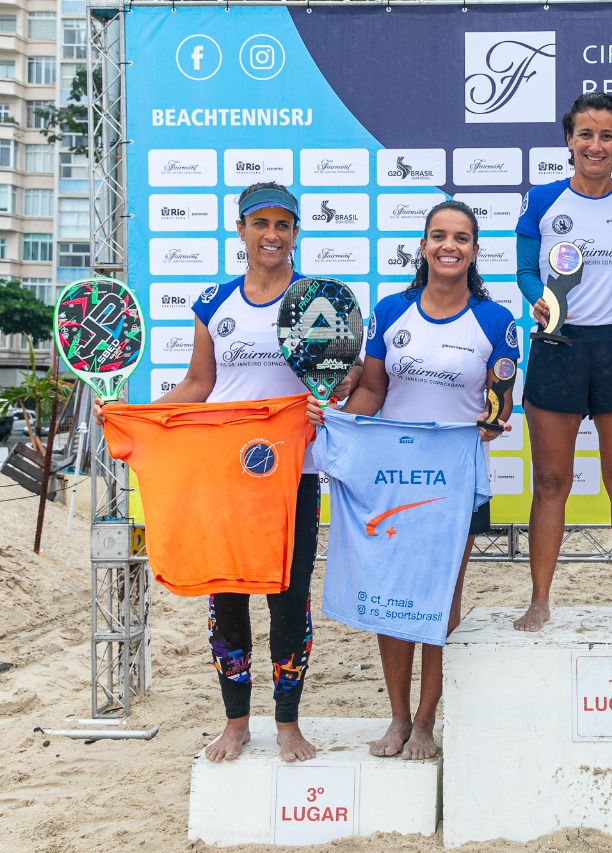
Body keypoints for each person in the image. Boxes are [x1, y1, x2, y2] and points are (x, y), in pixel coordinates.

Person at [95, 182, 357, 762]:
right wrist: (132, 414)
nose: (272, 235)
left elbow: (346, 379)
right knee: (226, 598)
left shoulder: (317, 300)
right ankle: (236, 722)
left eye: (283, 225)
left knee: (289, 598)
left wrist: (333, 396)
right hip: (224, 477)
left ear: (295, 233)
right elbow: (197, 386)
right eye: (259, 223)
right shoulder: (215, 302)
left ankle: (287, 723)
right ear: (240, 230)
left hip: (294, 475)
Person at [310, 200, 519, 757]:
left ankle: (427, 719)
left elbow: (500, 403)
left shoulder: (496, 321)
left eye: (462, 238)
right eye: (438, 237)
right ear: (423, 246)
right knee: (388, 594)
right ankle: (397, 717)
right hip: (390, 477)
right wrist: (335, 416)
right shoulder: (389, 311)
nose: (449, 246)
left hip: (454, 479)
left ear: (475, 250)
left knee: (439, 599)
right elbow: (373, 392)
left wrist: (494, 420)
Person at [512, 93, 612, 632]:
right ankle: (540, 599)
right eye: (585, 134)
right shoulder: (544, 198)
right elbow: (526, 269)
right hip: (557, 346)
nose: (596, 145)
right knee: (550, 481)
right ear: (569, 140)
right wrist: (537, 297)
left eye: (607, 136)